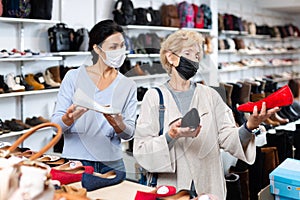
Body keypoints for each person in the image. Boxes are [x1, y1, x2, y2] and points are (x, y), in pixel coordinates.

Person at [133, 30, 279, 199]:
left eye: (197, 56)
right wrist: (170, 136)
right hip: (172, 189)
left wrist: (249, 126)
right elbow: (141, 149)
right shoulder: (154, 97)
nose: (194, 60)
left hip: (209, 187)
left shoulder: (210, 95)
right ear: (171, 57)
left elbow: (228, 137)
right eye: (187, 53)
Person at [51, 19, 137, 174]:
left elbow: (129, 134)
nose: (120, 51)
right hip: (75, 162)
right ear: (97, 49)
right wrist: (69, 118)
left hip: (112, 164)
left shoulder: (128, 85)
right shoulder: (73, 77)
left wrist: (118, 124)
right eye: (113, 47)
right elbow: (56, 126)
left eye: (122, 45)